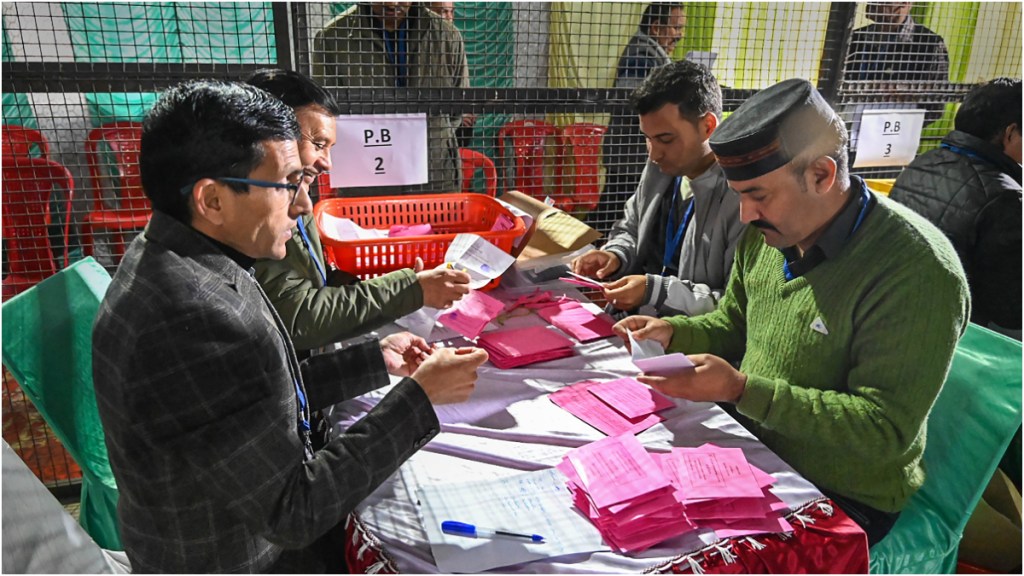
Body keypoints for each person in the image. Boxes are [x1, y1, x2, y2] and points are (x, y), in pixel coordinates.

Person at [91, 80, 489, 573]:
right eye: (285, 184)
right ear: (212, 200)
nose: (301, 205)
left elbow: (249, 398)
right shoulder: (197, 314)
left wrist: (372, 359)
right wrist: (418, 402)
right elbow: (294, 512)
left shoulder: (179, 254)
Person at [614, 78, 970, 546]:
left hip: (842, 492)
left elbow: (884, 430)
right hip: (752, 446)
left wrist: (742, 390)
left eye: (758, 195)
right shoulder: (768, 235)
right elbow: (735, 324)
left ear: (822, 175)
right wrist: (673, 332)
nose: (744, 215)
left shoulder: (916, 271)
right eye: (739, 194)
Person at [246, 69, 471, 353]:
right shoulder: (258, 211)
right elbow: (297, 318)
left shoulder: (295, 197)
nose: (326, 163)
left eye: (329, 148)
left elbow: (310, 281)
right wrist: (409, 290)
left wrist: (386, 284)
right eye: (317, 144)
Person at [573, 60, 744, 318]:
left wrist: (655, 291)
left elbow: (734, 306)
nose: (653, 154)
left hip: (687, 341)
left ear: (708, 126)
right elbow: (630, 227)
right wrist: (615, 255)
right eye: (647, 138)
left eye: (665, 139)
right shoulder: (662, 169)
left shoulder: (743, 197)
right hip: (634, 320)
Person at [889, 77, 1021, 338]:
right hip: (958, 331)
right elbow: (1010, 310)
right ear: (1010, 133)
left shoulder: (921, 163)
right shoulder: (1004, 198)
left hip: (896, 306)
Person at [312, 1, 469, 195]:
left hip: (435, 177)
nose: (392, 3)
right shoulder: (333, 38)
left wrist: (426, 140)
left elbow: (457, 109)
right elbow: (325, 113)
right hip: (367, 183)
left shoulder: (446, 35)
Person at [599, 2, 686, 222]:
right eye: (676, 28)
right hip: (627, 156)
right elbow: (632, 100)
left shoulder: (652, 54)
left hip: (632, 155)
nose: (680, 36)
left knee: (619, 213)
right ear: (656, 28)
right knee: (615, 213)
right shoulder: (640, 54)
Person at [843, 2, 950, 151]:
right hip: (847, 137)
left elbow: (935, 105)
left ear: (905, 3)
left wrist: (895, 127)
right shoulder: (855, 39)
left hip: (892, 143)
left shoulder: (929, 45)